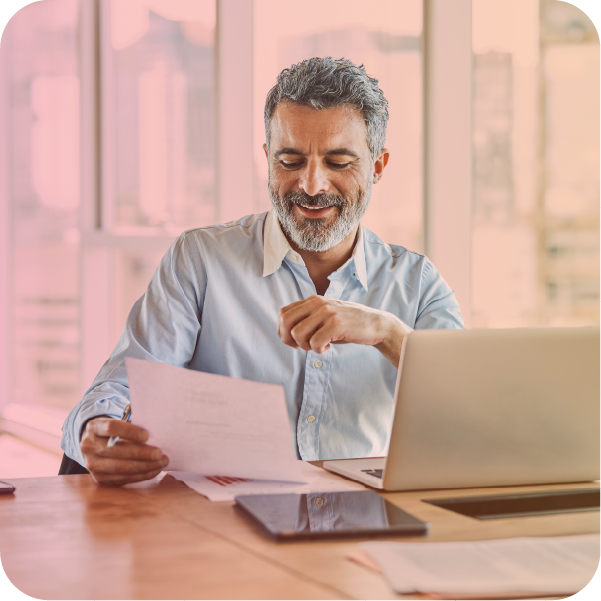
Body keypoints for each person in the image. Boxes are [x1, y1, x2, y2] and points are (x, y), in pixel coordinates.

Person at [60, 57, 463, 485]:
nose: (312, 186)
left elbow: (470, 412)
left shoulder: (418, 285)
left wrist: (387, 333)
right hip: (216, 530)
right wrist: (96, 430)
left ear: (378, 166)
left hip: (360, 534)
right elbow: (124, 385)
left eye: (339, 163)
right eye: (290, 161)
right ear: (267, 158)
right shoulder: (201, 260)